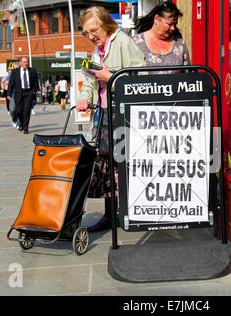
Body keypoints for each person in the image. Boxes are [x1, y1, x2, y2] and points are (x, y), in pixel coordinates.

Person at [76, 6, 146, 232]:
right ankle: (109, 215)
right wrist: (84, 98)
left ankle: (129, 211)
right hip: (104, 113)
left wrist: (111, 77)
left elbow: (141, 75)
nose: (91, 36)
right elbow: (90, 79)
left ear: (106, 24)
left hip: (123, 113)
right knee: (106, 165)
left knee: (124, 164)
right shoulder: (98, 49)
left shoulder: (123, 42)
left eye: (94, 30)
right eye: (86, 33)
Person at [132, 2, 190, 70]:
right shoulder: (136, 43)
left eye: (175, 24)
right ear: (156, 19)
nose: (173, 28)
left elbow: (188, 74)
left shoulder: (180, 44)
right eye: (169, 24)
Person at [7, 56, 39, 134]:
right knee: (18, 111)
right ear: (20, 63)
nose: (26, 63)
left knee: (26, 111)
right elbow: (11, 84)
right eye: (24, 62)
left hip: (29, 93)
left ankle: (25, 127)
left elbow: (36, 83)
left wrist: (33, 91)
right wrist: (9, 94)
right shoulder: (15, 72)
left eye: (26, 62)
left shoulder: (32, 71)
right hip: (19, 93)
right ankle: (20, 122)